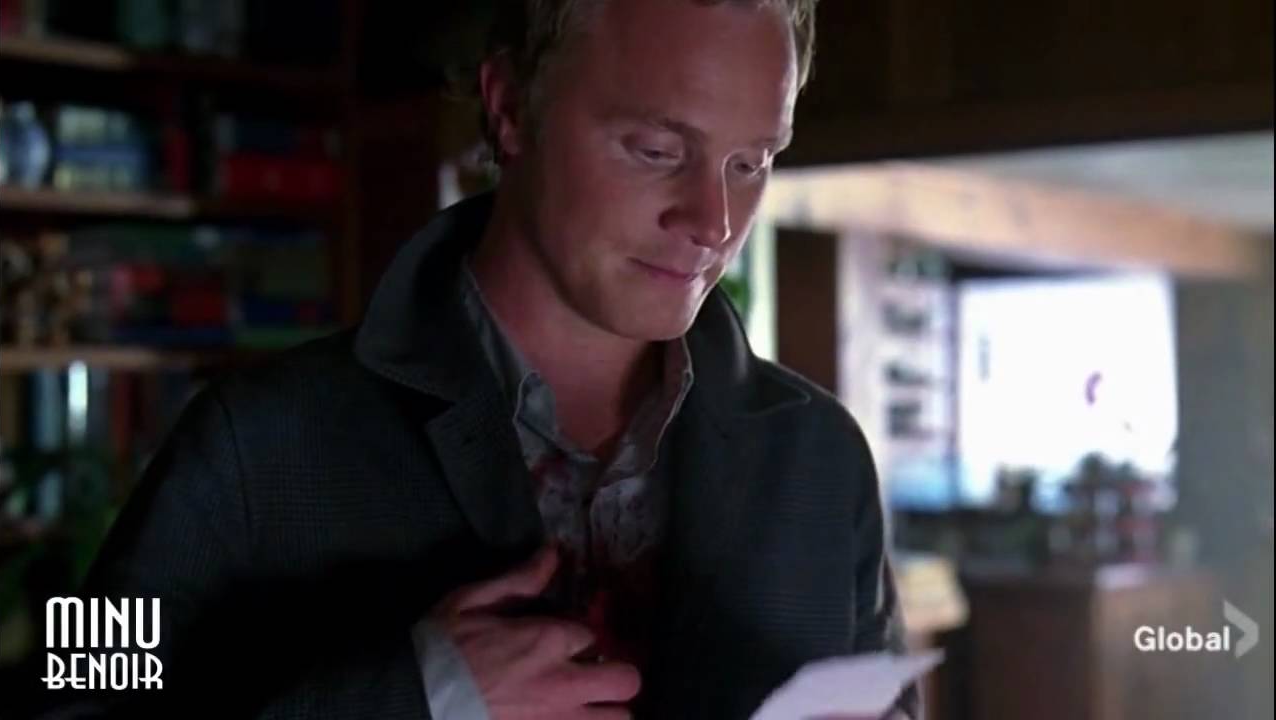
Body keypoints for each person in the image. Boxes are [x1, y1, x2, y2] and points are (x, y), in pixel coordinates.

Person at [48, 1, 918, 718]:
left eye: (751, 163)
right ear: (508, 108)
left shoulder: (821, 460)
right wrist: (410, 699)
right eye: (657, 151)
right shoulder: (250, 439)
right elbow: (65, 694)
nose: (713, 221)